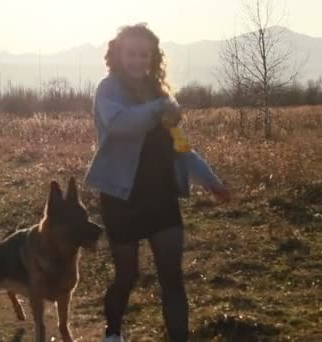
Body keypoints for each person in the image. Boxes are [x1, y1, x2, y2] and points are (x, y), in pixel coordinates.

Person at [84, 24, 230, 342]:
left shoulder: (161, 97)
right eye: (131, 53)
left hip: (161, 196)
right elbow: (120, 125)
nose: (137, 60)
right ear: (118, 55)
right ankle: (113, 332)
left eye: (144, 54)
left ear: (153, 58)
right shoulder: (108, 90)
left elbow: (181, 147)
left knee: (172, 276)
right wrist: (158, 109)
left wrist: (212, 181)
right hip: (121, 198)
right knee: (127, 274)